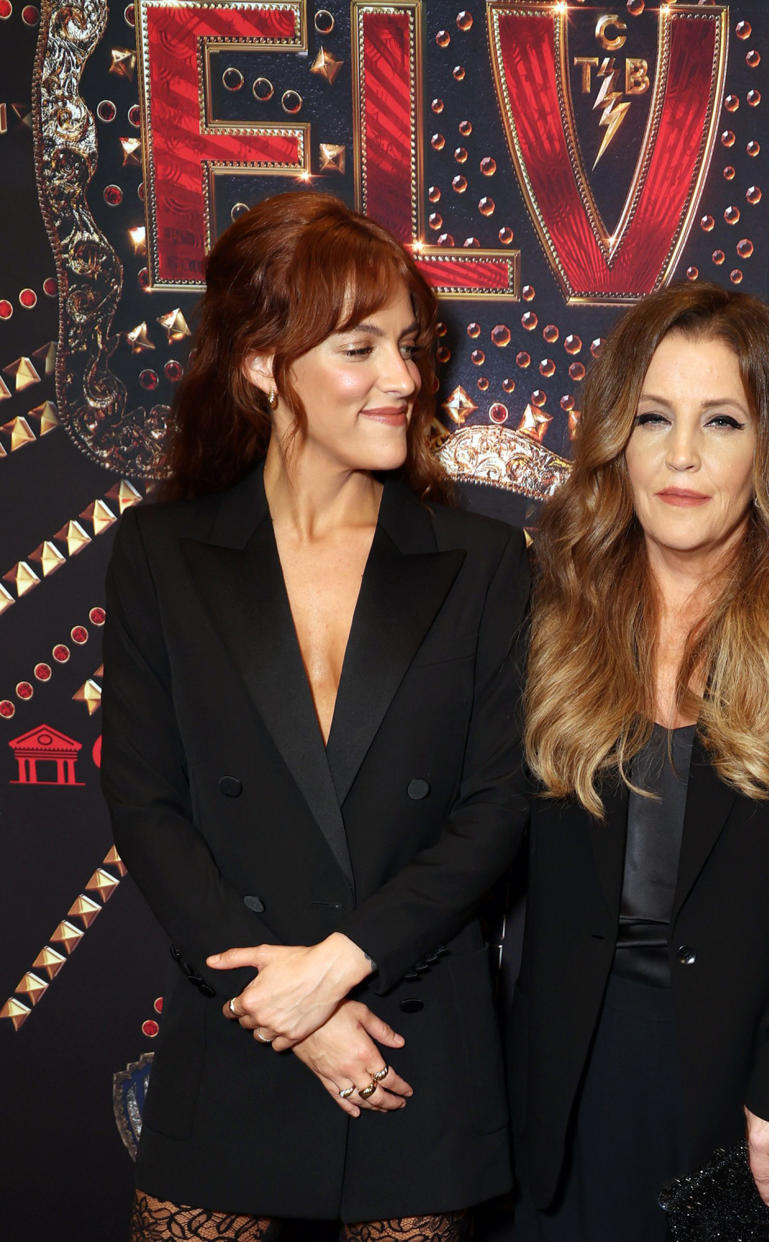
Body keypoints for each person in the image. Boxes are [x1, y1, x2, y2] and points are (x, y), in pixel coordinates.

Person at [101, 191, 529, 1242]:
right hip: (239, 1014)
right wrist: (291, 1014)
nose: (405, 379)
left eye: (411, 347)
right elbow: (147, 804)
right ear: (262, 364)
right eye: (360, 347)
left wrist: (340, 973)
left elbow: (498, 805)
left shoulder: (481, 562)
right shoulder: (162, 553)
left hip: (410, 1027)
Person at [510, 282, 769, 1241]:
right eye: (654, 417)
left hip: (765, 1094)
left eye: (721, 421)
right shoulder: (544, 616)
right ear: (617, 436)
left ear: (768, 447)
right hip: (571, 1086)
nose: (682, 454)